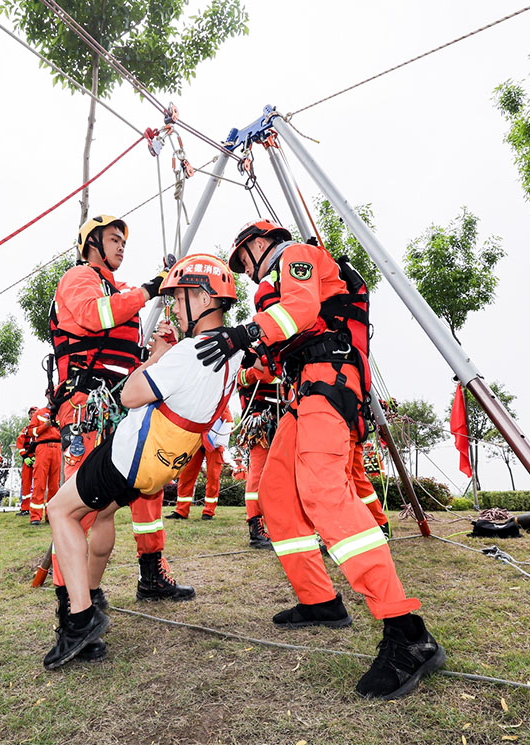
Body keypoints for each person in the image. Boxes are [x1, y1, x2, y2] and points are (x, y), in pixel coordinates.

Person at [193, 220, 445, 700]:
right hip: (303, 390)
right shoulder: (279, 286)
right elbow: (281, 341)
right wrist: (241, 354)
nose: (245, 273)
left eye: (243, 260)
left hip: (329, 384)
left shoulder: (296, 257)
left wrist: (241, 334)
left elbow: (302, 310)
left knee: (325, 494)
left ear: (259, 242)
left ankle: (408, 633)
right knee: (275, 493)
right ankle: (321, 600)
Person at [43, 254, 242, 669]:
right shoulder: (232, 354)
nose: (173, 308)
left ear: (201, 296)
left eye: (179, 298)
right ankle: (92, 596)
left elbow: (129, 394)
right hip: (161, 465)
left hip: (130, 456)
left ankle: (79, 618)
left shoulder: (190, 353)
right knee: (100, 516)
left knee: (60, 510)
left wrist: (156, 357)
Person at [48, 214, 193, 604]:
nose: (121, 246)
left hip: (118, 407)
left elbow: (126, 363)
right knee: (80, 507)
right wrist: (149, 289)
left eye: (124, 241)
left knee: (134, 493)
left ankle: (130, 580)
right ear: (92, 243)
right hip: (85, 407)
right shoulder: (79, 279)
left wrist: (159, 353)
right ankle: (71, 605)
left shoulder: (121, 291)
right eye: (114, 239)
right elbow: (96, 316)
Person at [234, 363, 284, 549]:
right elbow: (243, 378)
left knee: (280, 476)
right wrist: (262, 365)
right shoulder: (244, 360)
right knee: (257, 475)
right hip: (261, 425)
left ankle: (280, 524)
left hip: (283, 422)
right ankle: (255, 528)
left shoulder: (279, 361)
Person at [165, 409, 231, 520]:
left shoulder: (221, 397)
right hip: (194, 438)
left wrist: (221, 440)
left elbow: (228, 420)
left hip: (213, 440)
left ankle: (208, 511)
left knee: (213, 476)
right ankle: (181, 510)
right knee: (186, 474)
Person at [27, 406, 62, 526]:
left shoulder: (61, 412)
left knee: (55, 485)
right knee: (39, 482)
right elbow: (31, 432)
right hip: (43, 447)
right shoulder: (39, 413)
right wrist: (44, 426)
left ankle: (51, 515)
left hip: (58, 448)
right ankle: (35, 516)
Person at [16, 407, 39, 515]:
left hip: (40, 458)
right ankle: (25, 508)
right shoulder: (25, 430)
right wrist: (25, 457)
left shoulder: (42, 428)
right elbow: (20, 444)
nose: (33, 414)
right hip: (28, 459)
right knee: (26, 483)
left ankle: (38, 508)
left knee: (40, 484)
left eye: (35, 413)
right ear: (29, 415)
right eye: (31, 413)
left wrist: (37, 456)